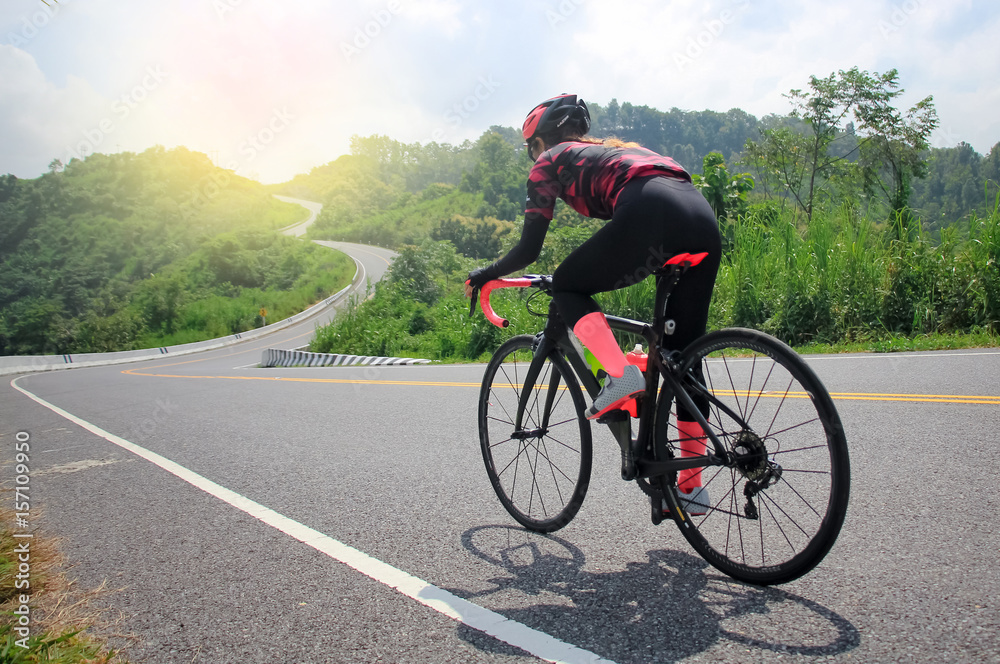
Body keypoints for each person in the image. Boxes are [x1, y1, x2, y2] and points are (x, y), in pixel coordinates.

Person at [465, 94, 722, 506]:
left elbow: (528, 249)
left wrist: (486, 274)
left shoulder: (550, 161)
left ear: (540, 141)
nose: (533, 157)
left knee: (568, 284)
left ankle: (620, 376)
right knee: (684, 359)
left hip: (651, 211)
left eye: (531, 148)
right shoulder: (613, 151)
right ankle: (692, 485)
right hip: (700, 216)